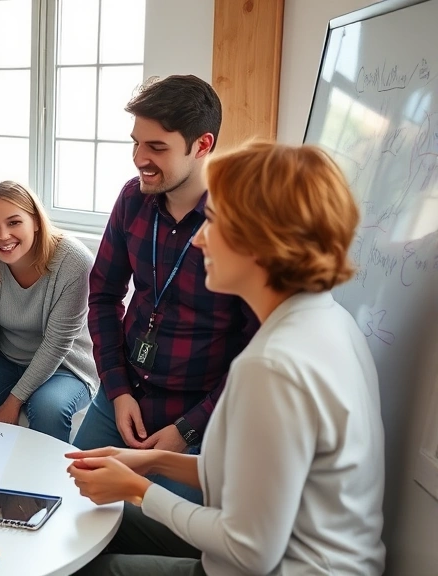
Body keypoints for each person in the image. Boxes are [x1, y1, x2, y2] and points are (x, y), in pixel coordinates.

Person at [67, 142, 386, 575]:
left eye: (214, 222)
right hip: (296, 554)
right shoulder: (329, 319)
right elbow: (260, 480)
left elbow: (250, 550)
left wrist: (140, 489)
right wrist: (154, 461)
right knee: (85, 526)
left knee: (82, 564)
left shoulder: (273, 366)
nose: (199, 237)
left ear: (261, 238)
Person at [75, 75, 258, 502]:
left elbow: (255, 350)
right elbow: (102, 296)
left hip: (196, 417)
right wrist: (117, 390)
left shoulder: (240, 222)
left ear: (202, 144)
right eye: (136, 143)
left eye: (157, 148)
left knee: (166, 540)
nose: (140, 158)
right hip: (121, 397)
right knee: (66, 506)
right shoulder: (132, 200)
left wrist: (188, 429)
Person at [0, 181, 96, 441]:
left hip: (66, 366)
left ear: (35, 221)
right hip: (6, 359)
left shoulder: (74, 261)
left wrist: (13, 403)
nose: (3, 236)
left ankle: (46, 481)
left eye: (14, 223)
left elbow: (56, 345)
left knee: (49, 409)